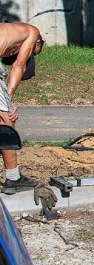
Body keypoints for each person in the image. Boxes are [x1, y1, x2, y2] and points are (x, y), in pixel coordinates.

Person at [0, 22, 45, 194]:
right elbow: (18, 66)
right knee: (6, 121)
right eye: (33, 53)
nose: (28, 56)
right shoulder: (33, 32)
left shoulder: (10, 31)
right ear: (38, 43)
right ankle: (13, 179)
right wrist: (8, 101)